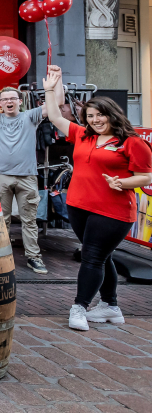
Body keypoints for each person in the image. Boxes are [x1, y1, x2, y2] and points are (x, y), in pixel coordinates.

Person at [43, 65, 152, 331]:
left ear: (112, 114)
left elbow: (145, 177)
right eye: (90, 116)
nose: (95, 120)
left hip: (113, 210)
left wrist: (121, 182)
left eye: (100, 115)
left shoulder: (132, 142)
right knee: (102, 257)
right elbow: (55, 116)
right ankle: (110, 307)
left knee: (91, 257)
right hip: (79, 206)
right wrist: (50, 90)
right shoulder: (83, 135)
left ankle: (79, 307)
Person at [0, 80, 62, 275]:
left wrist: (55, 82)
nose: (9, 102)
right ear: (0, 103)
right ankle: (1, 258)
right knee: (1, 220)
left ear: (20, 101)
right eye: (5, 99)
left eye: (12, 98)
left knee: (29, 221)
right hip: (1, 177)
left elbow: (57, 102)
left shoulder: (30, 116)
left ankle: (34, 257)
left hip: (27, 177)